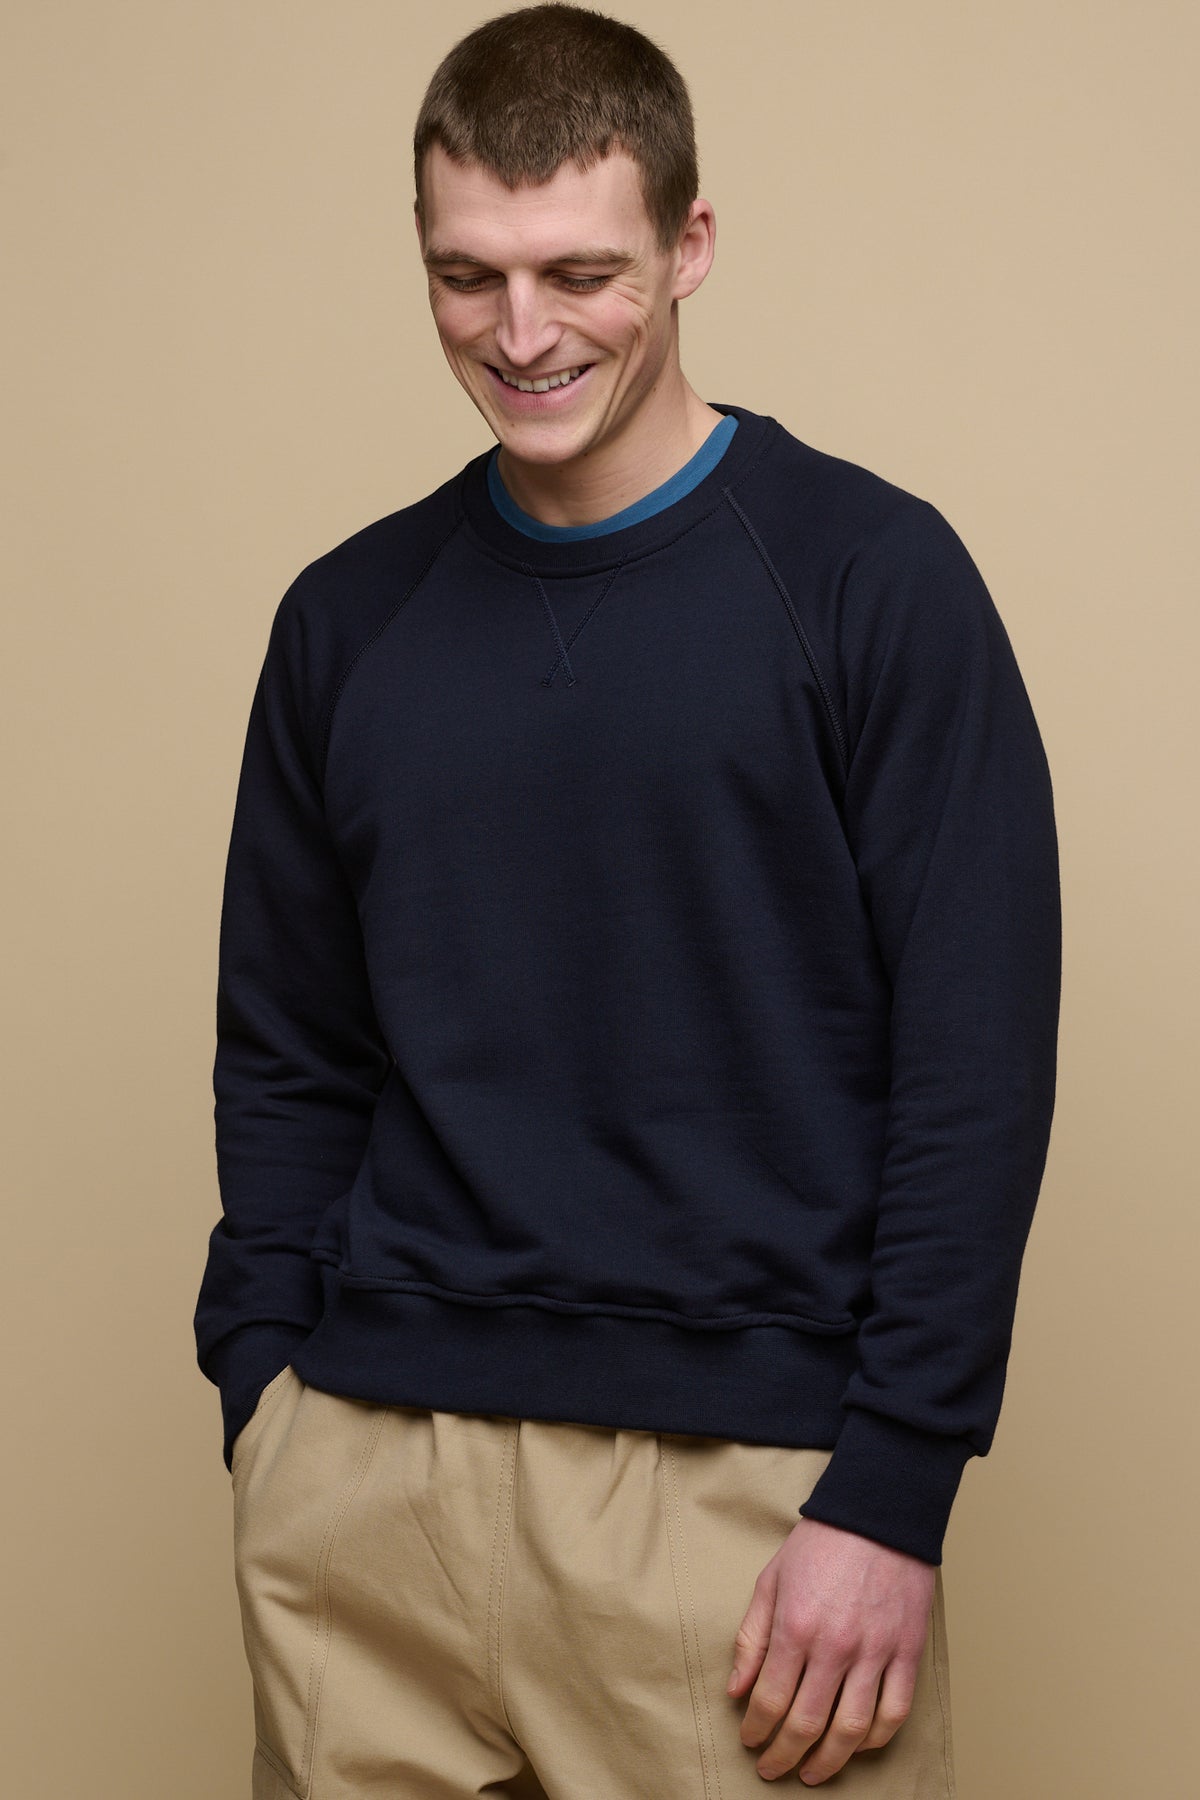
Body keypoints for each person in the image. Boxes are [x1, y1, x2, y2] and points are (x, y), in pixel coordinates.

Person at [194, 5, 1061, 1794]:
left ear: (690, 246)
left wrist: (892, 1490)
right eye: (467, 275)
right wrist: (267, 1405)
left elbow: (973, 1067)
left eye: (579, 270)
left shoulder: (871, 583)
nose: (521, 335)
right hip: (367, 1485)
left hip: (744, 1517)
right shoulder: (346, 622)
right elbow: (285, 1047)